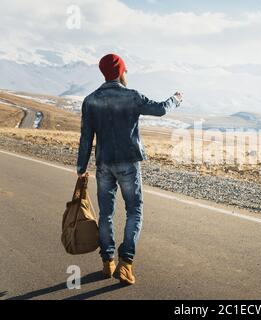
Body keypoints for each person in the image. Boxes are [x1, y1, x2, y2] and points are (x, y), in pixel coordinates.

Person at [76, 53, 183, 285]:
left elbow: (86, 137)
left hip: (104, 164)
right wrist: (175, 98)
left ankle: (108, 263)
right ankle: (126, 263)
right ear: (121, 71)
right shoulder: (132, 96)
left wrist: (81, 168)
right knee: (134, 210)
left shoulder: (91, 100)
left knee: (106, 214)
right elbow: (161, 109)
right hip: (128, 163)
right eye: (124, 70)